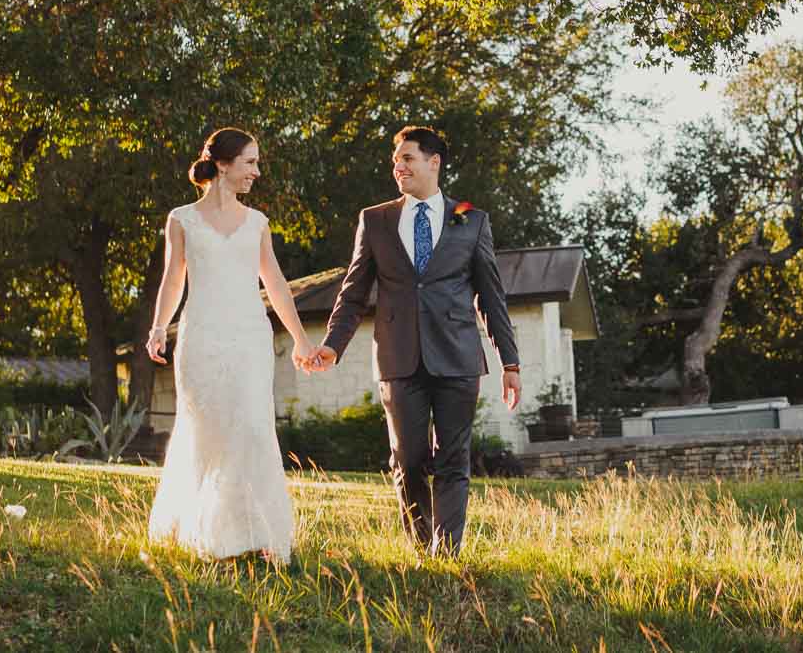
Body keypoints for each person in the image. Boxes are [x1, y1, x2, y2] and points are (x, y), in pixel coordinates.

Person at [313, 126, 521, 556]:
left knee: (452, 460)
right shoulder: (376, 219)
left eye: (407, 158)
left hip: (458, 357)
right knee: (407, 461)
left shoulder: (470, 216)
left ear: (434, 162)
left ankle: (446, 554)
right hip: (397, 356)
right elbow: (353, 291)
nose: (398, 166)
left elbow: (491, 297)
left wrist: (510, 363)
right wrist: (333, 344)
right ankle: (421, 545)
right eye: (396, 160)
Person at [145, 127, 319, 563]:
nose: (256, 173)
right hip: (201, 337)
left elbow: (276, 284)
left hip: (248, 339)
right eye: (250, 163)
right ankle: (209, 533)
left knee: (253, 428)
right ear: (222, 165)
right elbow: (173, 279)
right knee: (207, 431)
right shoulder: (181, 219)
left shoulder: (257, 223)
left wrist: (300, 339)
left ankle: (259, 533)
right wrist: (157, 327)